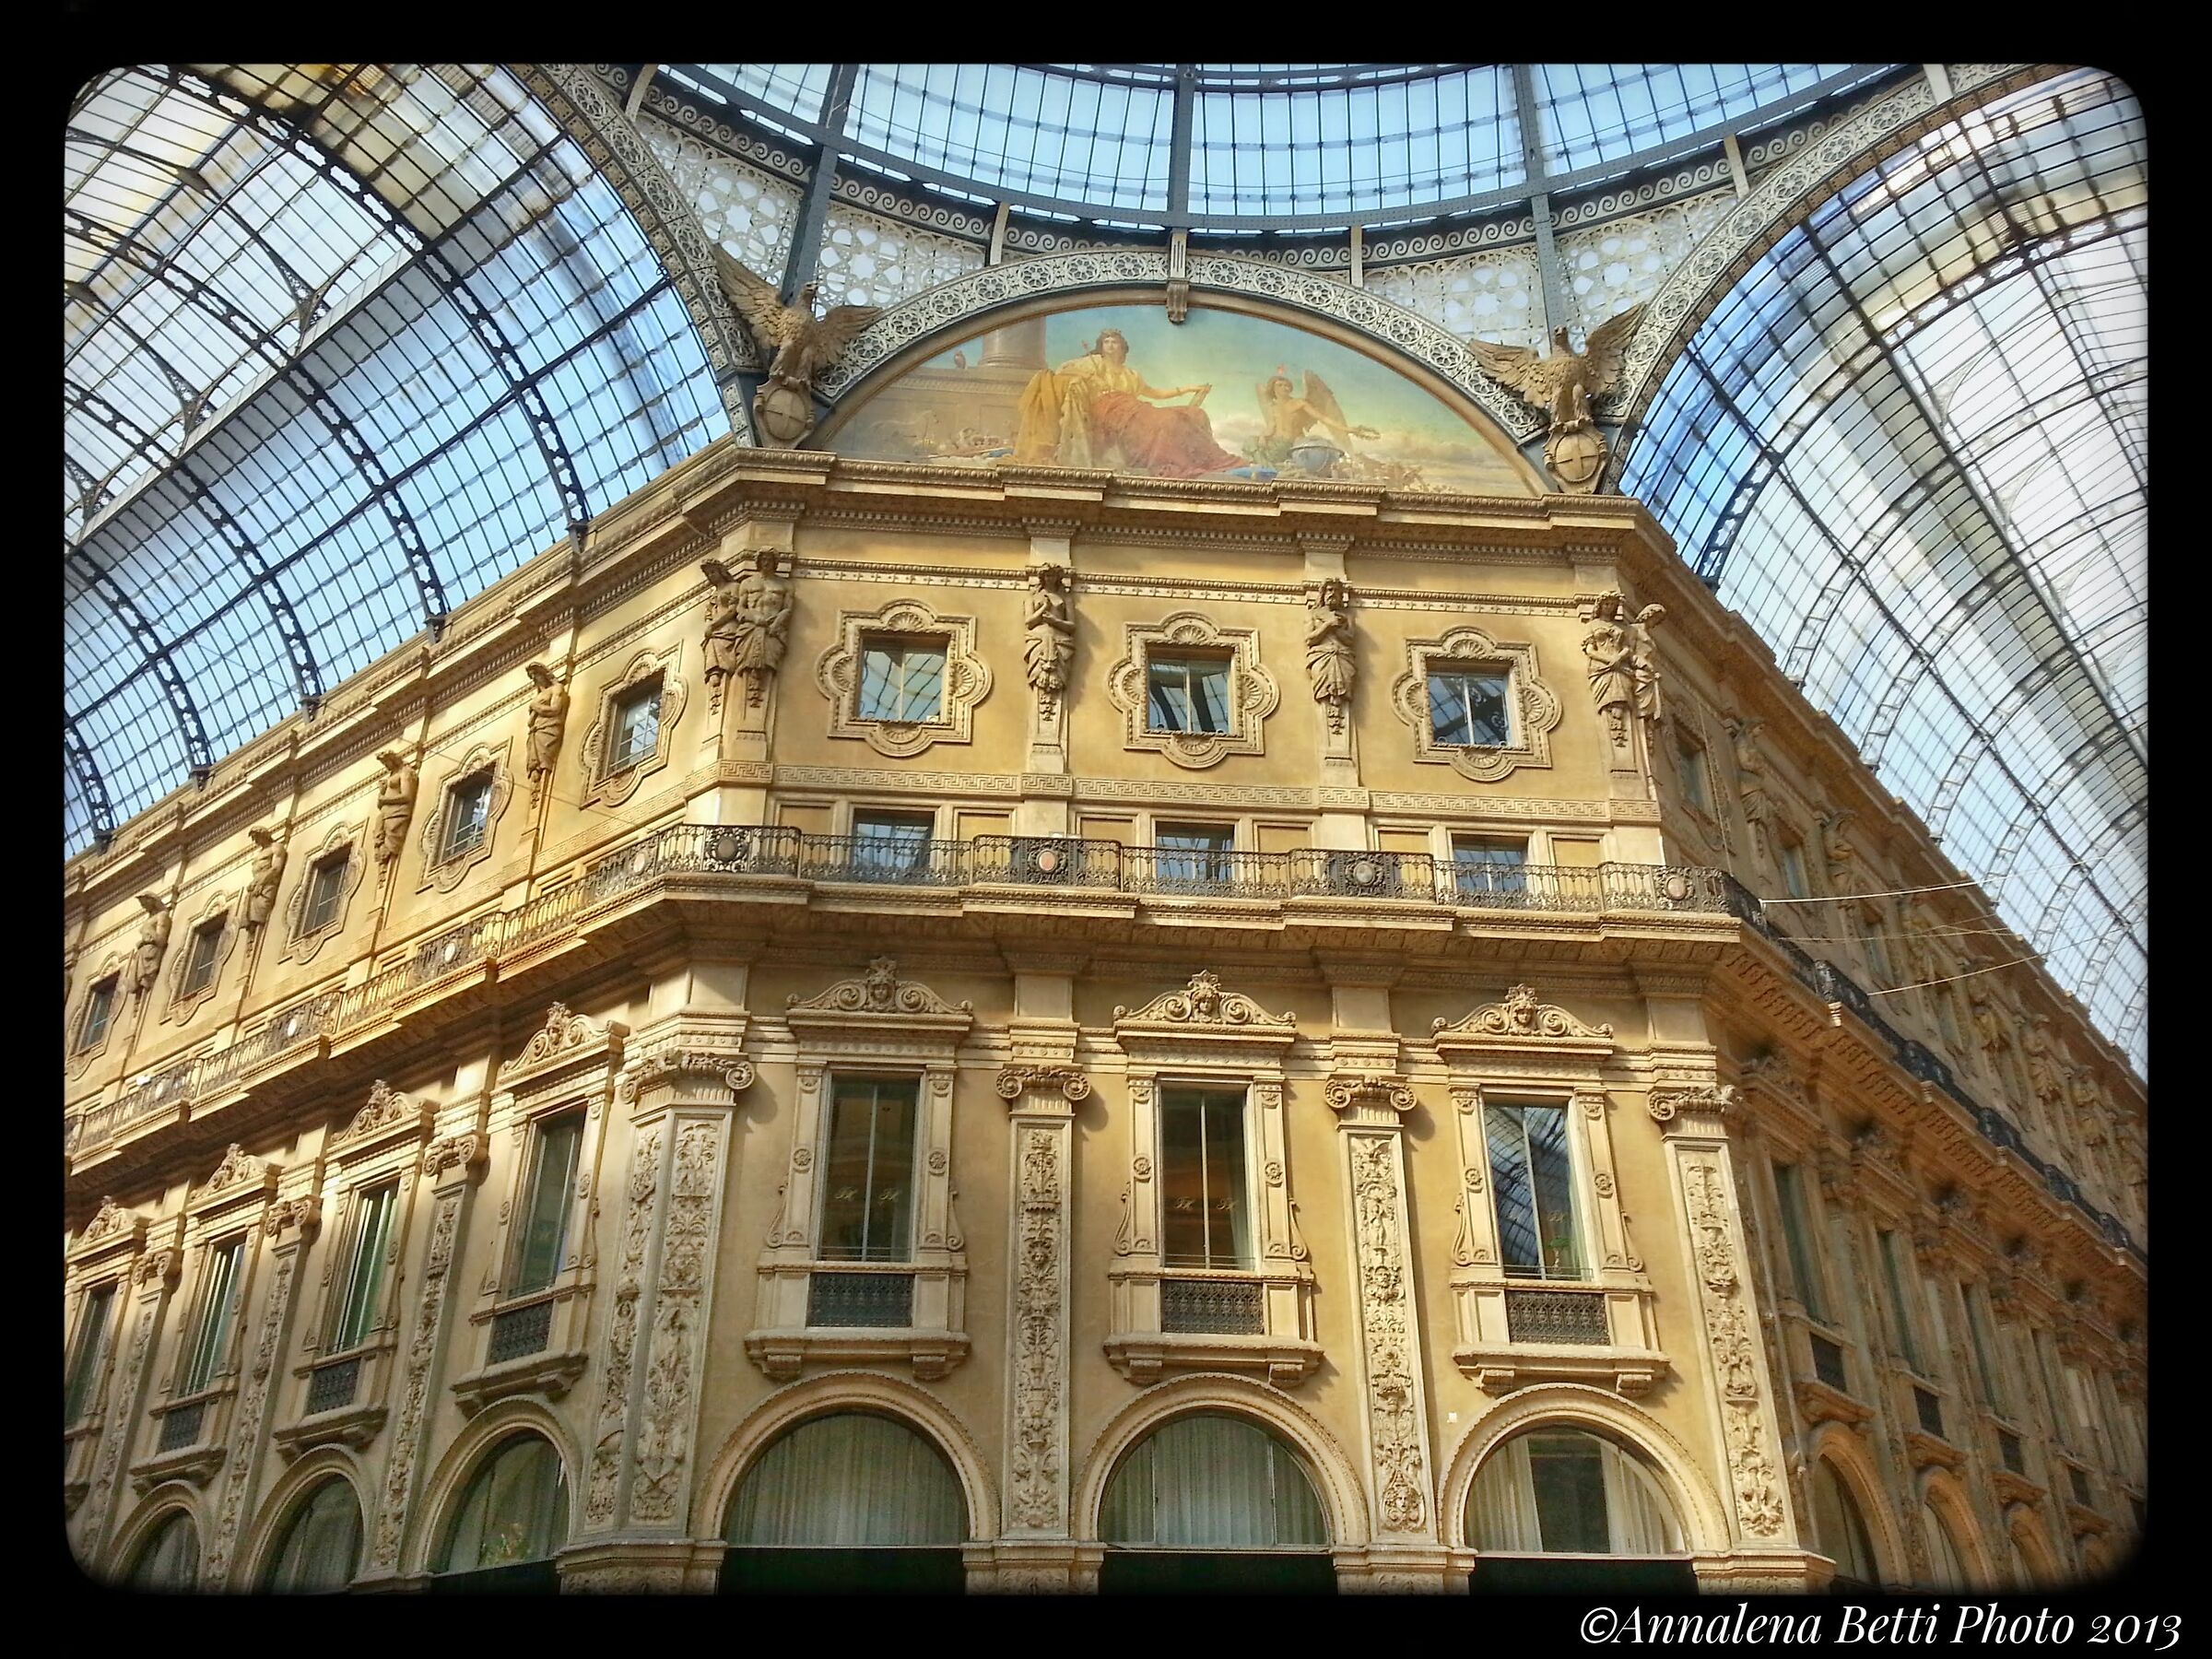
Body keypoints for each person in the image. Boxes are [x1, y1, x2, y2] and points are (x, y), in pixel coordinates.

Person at [1013, 328, 1243, 477]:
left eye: (1115, 342)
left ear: (1123, 347)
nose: (1111, 346)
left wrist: (1189, 389)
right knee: (1168, 420)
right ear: (1101, 347)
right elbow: (1062, 371)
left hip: (1134, 410)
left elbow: (1155, 394)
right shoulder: (1092, 363)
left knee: (1192, 414)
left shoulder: (1131, 375)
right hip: (1109, 413)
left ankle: (1206, 458)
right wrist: (1080, 378)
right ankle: (1173, 460)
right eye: (1107, 342)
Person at [1252, 369, 1378, 467]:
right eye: (1279, 385)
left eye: (1286, 385)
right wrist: (1263, 436)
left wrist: (1346, 429)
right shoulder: (1274, 407)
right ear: (1273, 389)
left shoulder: (1299, 403)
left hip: (1291, 443)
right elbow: (1271, 426)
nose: (1284, 388)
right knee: (1251, 443)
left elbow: (1323, 417)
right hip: (1275, 443)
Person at [1023, 565, 1076, 700]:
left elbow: (1071, 626)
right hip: (1037, 639)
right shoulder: (1032, 598)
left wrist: (1055, 621)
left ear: (1057, 578)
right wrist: (1044, 608)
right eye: (1047, 576)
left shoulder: (1066, 599)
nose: (1049, 579)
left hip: (1060, 640)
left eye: (1052, 576)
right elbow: (1029, 622)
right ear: (1042, 578)